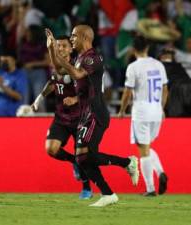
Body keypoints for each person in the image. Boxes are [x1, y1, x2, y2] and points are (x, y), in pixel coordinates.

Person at [46, 25, 139, 207]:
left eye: (74, 36)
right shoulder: (80, 58)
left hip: (96, 112)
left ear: (85, 37)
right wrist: (51, 48)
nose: (71, 39)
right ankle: (108, 194)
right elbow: (59, 68)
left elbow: (77, 73)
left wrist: (59, 56)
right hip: (86, 113)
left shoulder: (92, 58)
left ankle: (127, 162)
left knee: (83, 156)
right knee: (83, 158)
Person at [31, 35, 92, 200]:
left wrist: (75, 99)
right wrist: (38, 99)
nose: (60, 49)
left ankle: (86, 188)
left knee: (83, 155)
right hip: (61, 118)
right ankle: (73, 162)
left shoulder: (78, 66)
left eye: (64, 46)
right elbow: (52, 83)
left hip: (79, 117)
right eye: (57, 46)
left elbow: (89, 90)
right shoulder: (56, 67)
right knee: (51, 149)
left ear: (71, 48)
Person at [118, 36, 169, 196]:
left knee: (143, 151)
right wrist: (161, 108)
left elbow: (127, 92)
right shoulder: (158, 64)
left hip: (141, 112)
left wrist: (122, 110)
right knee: (147, 147)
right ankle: (160, 173)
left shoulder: (133, 67)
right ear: (147, 48)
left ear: (133, 50)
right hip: (156, 111)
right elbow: (165, 89)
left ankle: (150, 189)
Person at [0, 52, 27, 116]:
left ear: (14, 61)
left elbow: (19, 97)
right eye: (2, 61)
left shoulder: (20, 75)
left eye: (6, 60)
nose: (3, 63)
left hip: (13, 115)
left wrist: (3, 87)